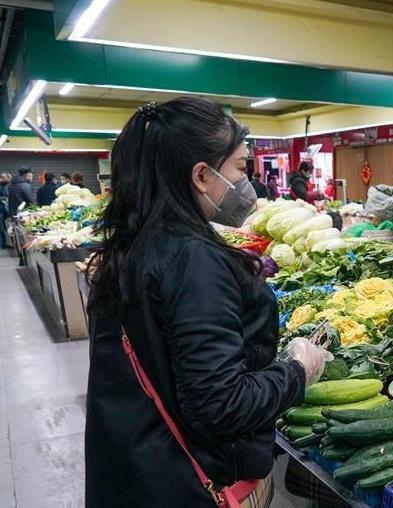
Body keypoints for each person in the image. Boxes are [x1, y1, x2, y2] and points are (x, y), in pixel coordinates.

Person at [84, 97, 329, 507]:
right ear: (201, 175)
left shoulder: (136, 243)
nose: (246, 182)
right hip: (188, 484)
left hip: (138, 470)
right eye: (240, 168)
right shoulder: (190, 258)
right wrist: (298, 371)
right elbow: (221, 404)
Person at [0, 173, 10, 249]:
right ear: (3, 178)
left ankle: (3, 244)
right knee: (1, 228)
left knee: (3, 227)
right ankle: (2, 245)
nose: (9, 181)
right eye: (8, 179)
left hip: (3, 210)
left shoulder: (4, 186)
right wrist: (5, 198)